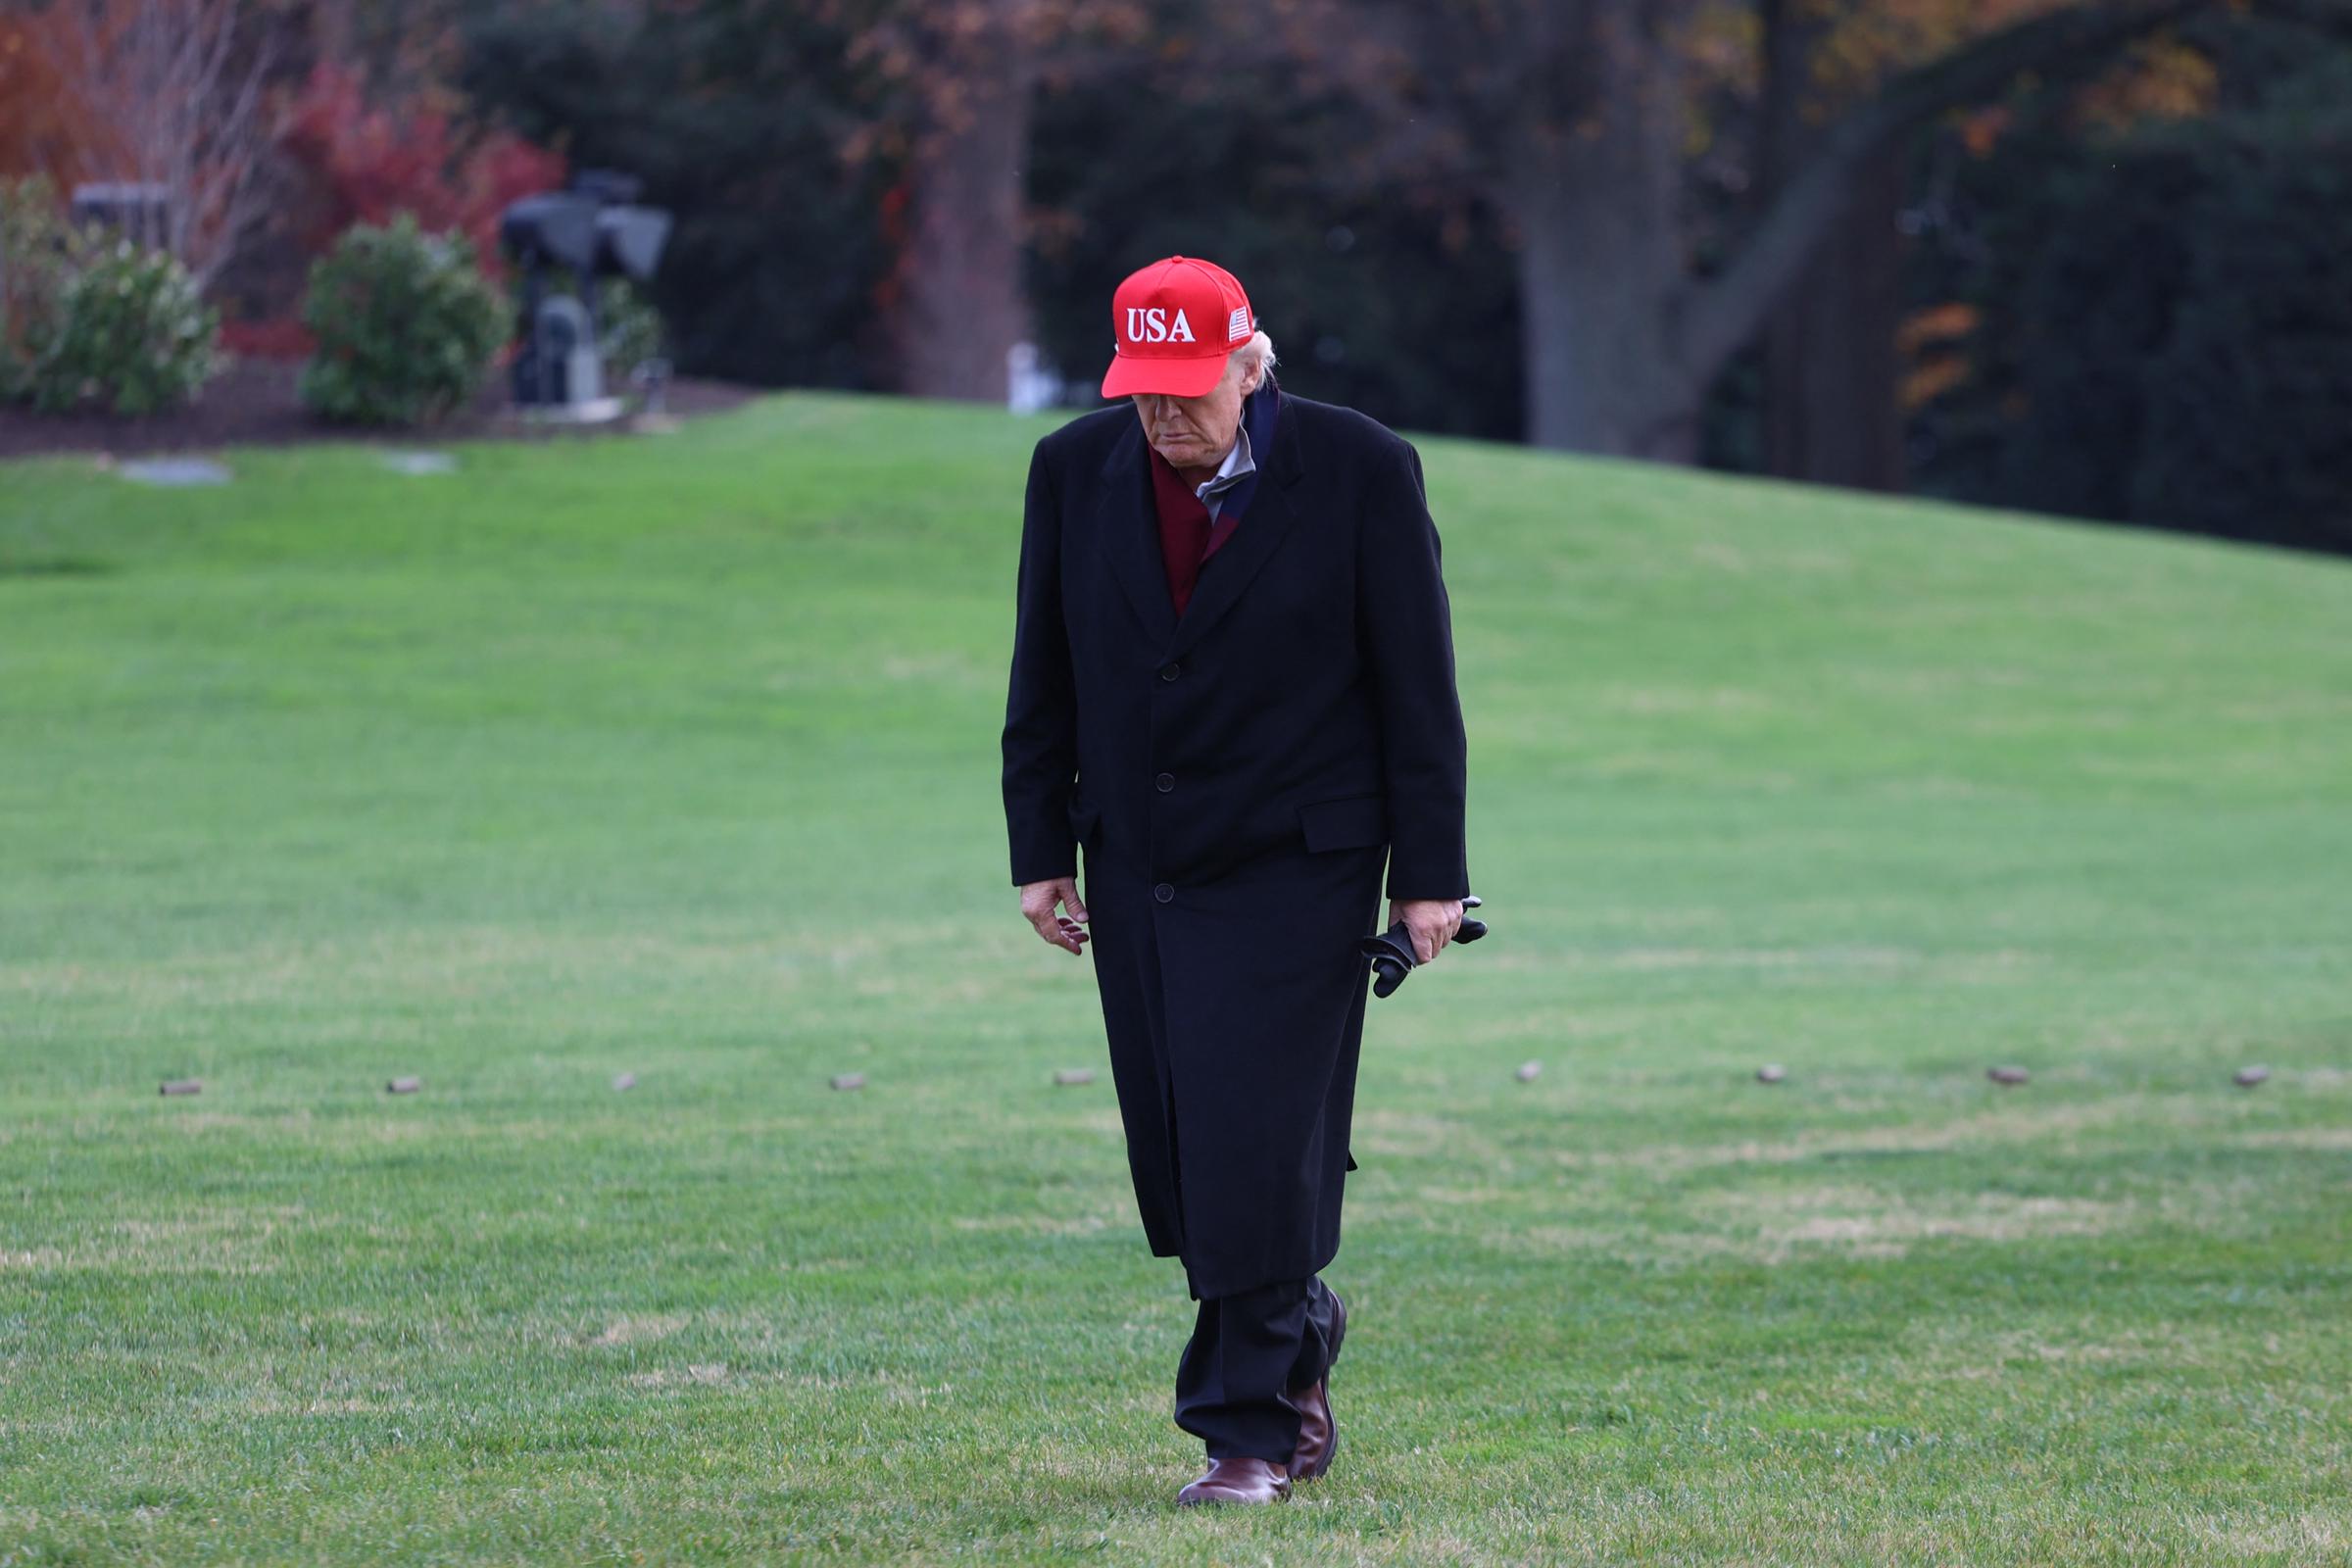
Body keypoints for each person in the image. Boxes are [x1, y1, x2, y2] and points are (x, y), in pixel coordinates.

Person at [1000, 255, 1470, 1506]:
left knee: (1257, 1142)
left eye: (1185, 393)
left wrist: (1430, 879)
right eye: (1142, 393)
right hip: (1137, 863)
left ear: (1248, 364)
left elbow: (1420, 693)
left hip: (1299, 866)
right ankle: (1301, 1322)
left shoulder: (1363, 468)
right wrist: (1039, 847)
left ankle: (1245, 1434)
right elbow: (1041, 672)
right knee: (1182, 1147)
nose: (1163, 417)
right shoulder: (1071, 472)